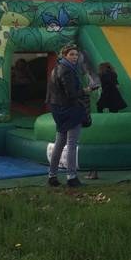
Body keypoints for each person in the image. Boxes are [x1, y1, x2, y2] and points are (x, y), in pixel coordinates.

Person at [45, 45, 92, 188]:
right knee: (71, 143)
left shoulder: (56, 69)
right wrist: (85, 90)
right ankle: (71, 177)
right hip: (69, 109)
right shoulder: (67, 71)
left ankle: (52, 176)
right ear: (64, 55)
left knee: (60, 142)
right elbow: (71, 93)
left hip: (57, 108)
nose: (74, 57)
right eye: (71, 54)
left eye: (76, 55)